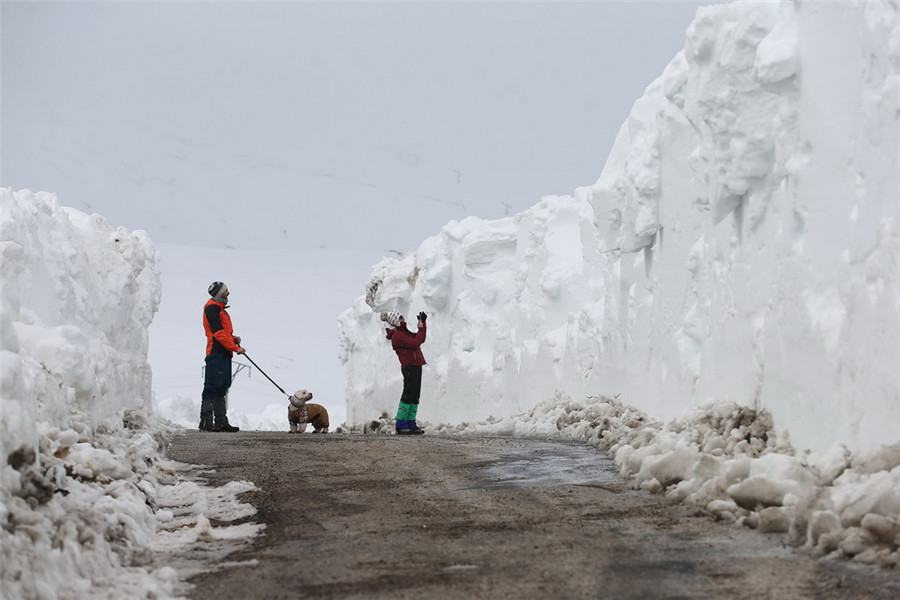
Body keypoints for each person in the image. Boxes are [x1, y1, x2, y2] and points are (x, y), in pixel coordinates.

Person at [200, 281, 245, 432]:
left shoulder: (221, 309)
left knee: (223, 385)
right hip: (215, 353)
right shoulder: (212, 308)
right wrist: (235, 347)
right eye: (226, 291)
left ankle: (221, 421)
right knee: (212, 386)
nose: (228, 293)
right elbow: (218, 333)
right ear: (220, 293)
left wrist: (233, 340)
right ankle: (206, 421)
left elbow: (223, 333)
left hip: (225, 353)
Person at [381, 310, 428, 435]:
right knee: (408, 394)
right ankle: (401, 423)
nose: (403, 319)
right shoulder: (397, 335)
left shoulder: (404, 333)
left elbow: (420, 339)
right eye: (400, 317)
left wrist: (422, 323)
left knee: (414, 395)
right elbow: (414, 343)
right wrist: (420, 329)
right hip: (409, 367)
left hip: (416, 365)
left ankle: (411, 423)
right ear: (396, 321)